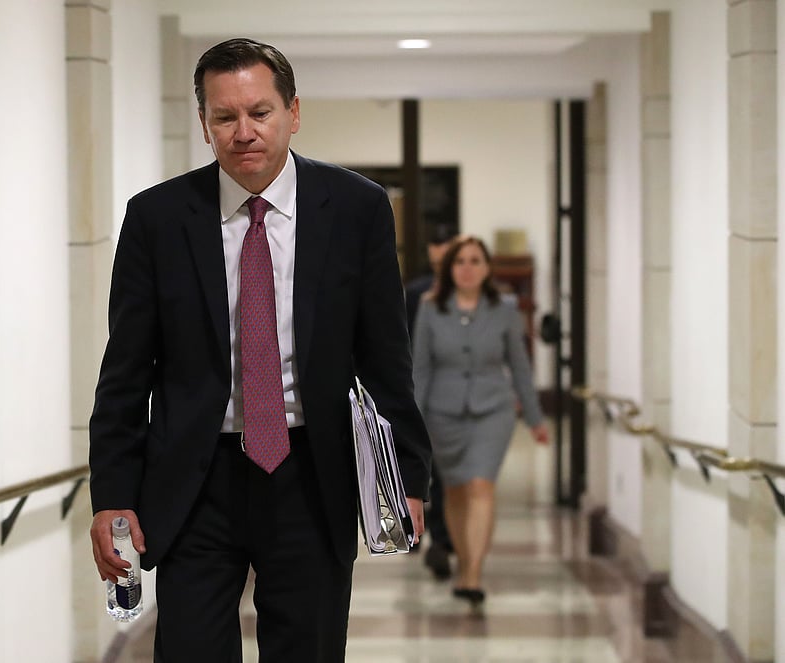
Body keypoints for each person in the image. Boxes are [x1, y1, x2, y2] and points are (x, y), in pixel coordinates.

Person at [87, 38, 431, 662]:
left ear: (293, 113)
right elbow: (126, 371)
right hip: (195, 481)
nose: (243, 132)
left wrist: (405, 474)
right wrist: (113, 492)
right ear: (204, 124)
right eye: (225, 116)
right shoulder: (157, 218)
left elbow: (386, 356)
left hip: (312, 472)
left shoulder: (356, 208)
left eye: (260, 112)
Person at [411, 234, 548, 607]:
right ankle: (464, 561)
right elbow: (421, 368)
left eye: (475, 261)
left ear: (488, 268)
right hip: (442, 413)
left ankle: (473, 574)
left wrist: (535, 417)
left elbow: (519, 366)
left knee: (481, 486)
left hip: (493, 411)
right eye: (460, 261)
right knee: (455, 490)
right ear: (449, 268)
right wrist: (413, 424)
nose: (467, 269)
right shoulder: (431, 308)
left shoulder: (504, 309)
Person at [404, 224, 455, 580]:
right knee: (423, 463)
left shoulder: (468, 295)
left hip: (452, 395)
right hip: (419, 389)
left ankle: (442, 538)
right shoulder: (416, 293)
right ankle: (416, 529)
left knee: (446, 472)